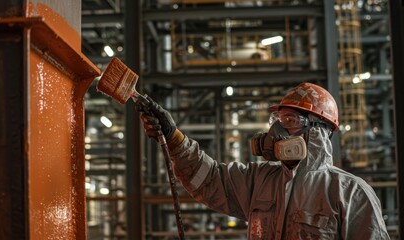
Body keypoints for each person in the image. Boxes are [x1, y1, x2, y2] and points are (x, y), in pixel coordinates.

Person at [139, 82, 390, 239]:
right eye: (277, 121)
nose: (277, 132)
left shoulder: (350, 192)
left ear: (318, 131)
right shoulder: (260, 180)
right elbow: (209, 178)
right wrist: (174, 139)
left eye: (290, 121)